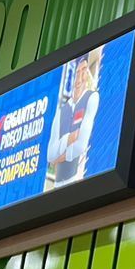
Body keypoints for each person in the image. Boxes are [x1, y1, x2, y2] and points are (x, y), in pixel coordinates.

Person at [46, 51, 102, 188]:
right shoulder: (61, 112)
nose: (80, 77)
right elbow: (50, 155)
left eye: (84, 71)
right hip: (57, 185)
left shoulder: (91, 98)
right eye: (78, 72)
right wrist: (69, 138)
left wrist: (57, 158)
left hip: (79, 179)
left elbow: (81, 145)